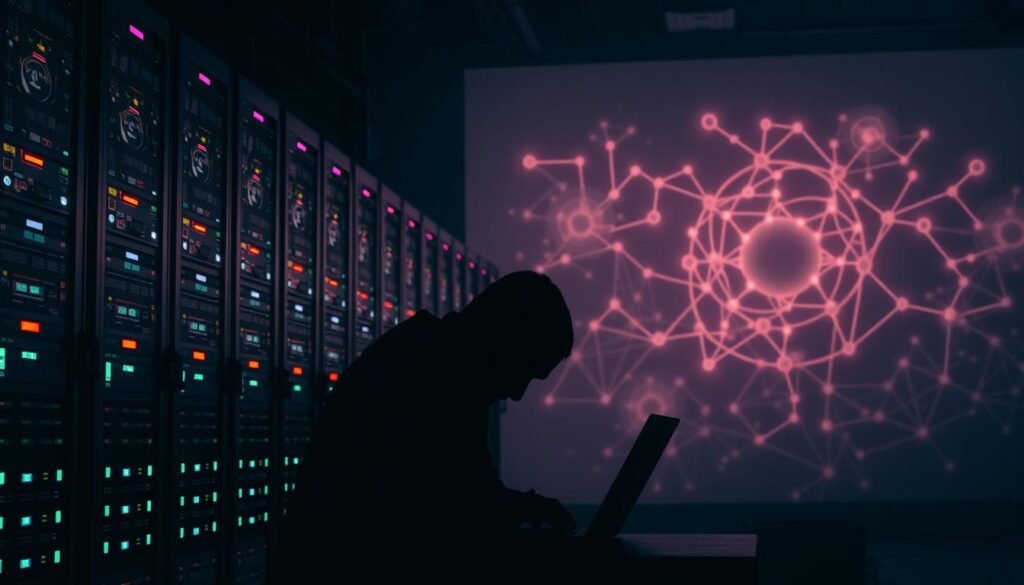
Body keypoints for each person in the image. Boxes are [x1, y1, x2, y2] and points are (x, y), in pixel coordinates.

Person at [268, 271, 577, 581]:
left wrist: (521, 509)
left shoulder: (436, 354)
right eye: (525, 369)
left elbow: (463, 491)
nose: (518, 392)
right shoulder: (439, 374)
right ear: (504, 339)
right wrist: (525, 511)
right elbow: (444, 505)